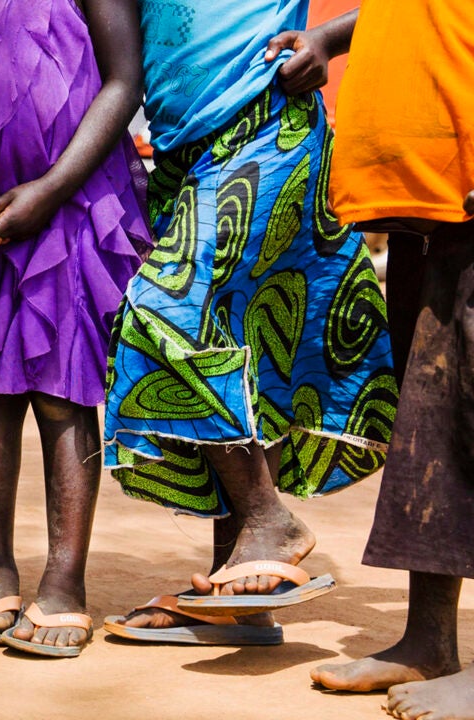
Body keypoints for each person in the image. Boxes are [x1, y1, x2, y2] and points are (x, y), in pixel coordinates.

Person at [101, 2, 398, 641]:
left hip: (269, 120)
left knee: (164, 311)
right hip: (182, 149)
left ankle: (269, 519)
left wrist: (326, 35)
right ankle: (239, 591)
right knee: (240, 349)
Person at [0, 0, 151, 657]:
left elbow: (121, 78)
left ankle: (64, 581)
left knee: (60, 389)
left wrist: (50, 189)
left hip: (67, 204)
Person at [307, 3, 474, 718]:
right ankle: (428, 641)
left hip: (462, 197)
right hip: (424, 205)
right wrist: (328, 36)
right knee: (432, 429)